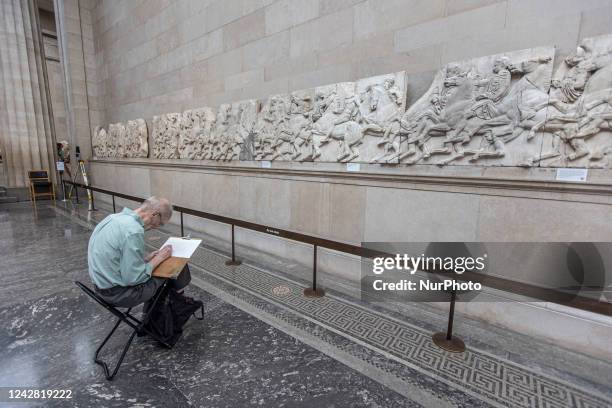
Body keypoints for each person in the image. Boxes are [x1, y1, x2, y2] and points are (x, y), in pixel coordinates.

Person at [87, 196, 191, 308]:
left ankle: (165, 309)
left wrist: (146, 260)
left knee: (160, 267)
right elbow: (134, 278)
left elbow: (116, 258)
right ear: (155, 214)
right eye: (160, 224)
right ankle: (172, 308)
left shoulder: (113, 218)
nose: (156, 227)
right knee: (172, 267)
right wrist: (159, 258)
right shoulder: (133, 231)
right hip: (120, 294)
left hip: (100, 287)